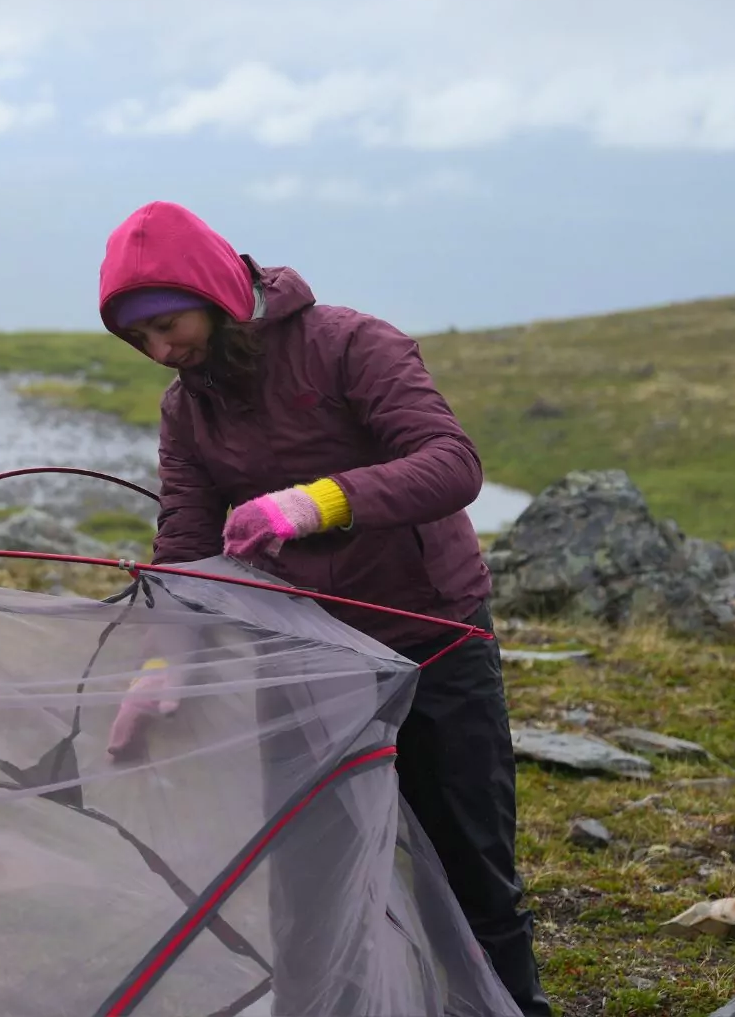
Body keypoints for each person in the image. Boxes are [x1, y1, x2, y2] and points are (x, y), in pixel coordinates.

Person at [95, 200, 553, 1017]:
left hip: (431, 643)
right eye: (141, 341)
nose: (161, 352)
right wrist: (163, 663)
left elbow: (452, 465)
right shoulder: (186, 408)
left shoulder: (350, 344)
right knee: (309, 888)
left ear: (214, 290)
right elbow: (187, 543)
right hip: (308, 662)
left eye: (167, 325)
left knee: (470, 870)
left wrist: (312, 504)